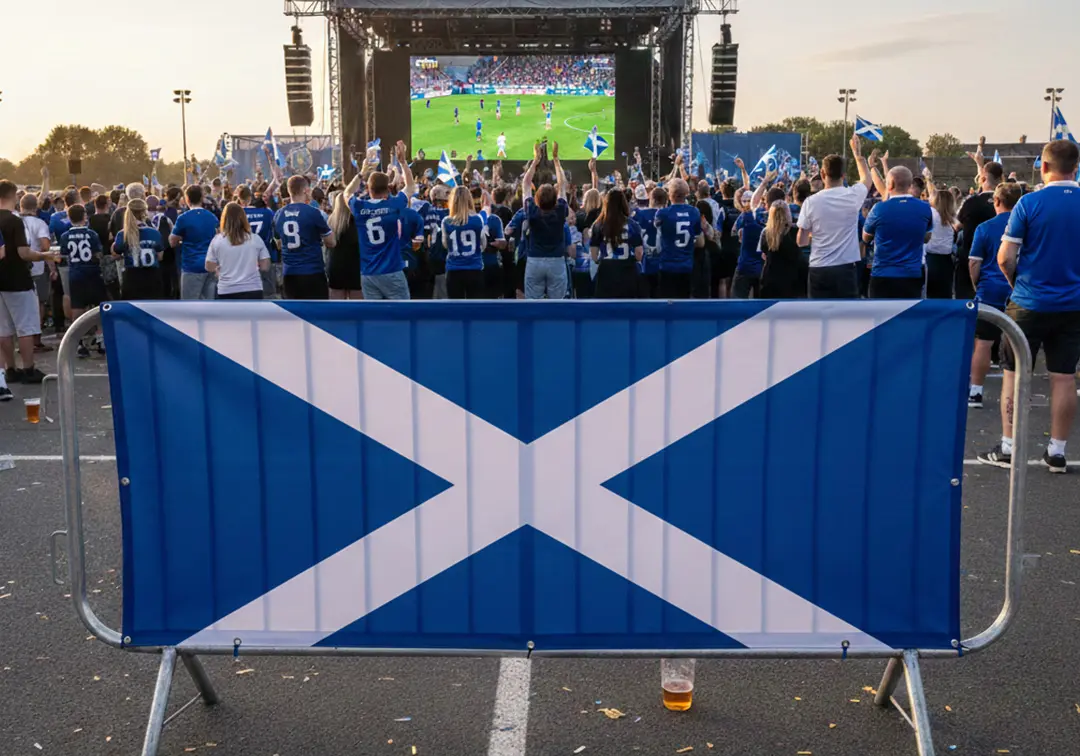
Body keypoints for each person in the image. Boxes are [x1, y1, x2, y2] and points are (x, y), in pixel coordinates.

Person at [979, 140, 1080, 473]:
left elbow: (1004, 257)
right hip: (1072, 304)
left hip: (1028, 300)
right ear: (1076, 168)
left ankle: (1009, 446)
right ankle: (1058, 451)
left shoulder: (1029, 202)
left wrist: (1015, 284)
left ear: (1044, 167)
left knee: (1014, 373)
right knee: (1064, 377)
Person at [0, 180, 60, 391]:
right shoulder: (14, 221)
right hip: (17, 278)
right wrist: (46, 255)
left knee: (3, 328)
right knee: (26, 326)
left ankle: (9, 368)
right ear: (13, 196)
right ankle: (28, 368)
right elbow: (23, 253)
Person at [967, 183, 1021, 409]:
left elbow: (974, 263)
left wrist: (977, 286)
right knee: (1020, 346)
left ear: (996, 201)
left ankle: (976, 391)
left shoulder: (985, 228)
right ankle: (1020, 394)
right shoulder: (1027, 226)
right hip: (1019, 291)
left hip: (989, 291)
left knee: (983, 343)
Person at [797, 136, 871, 298]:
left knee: (818, 313)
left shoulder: (810, 202)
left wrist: (815, 235)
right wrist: (858, 155)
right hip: (846, 268)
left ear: (822, 173)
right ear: (843, 175)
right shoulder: (853, 196)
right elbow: (867, 179)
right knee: (846, 313)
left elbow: (801, 241)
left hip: (819, 269)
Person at [345, 140, 417, 300]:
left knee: (374, 314)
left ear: (368, 189)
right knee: (401, 312)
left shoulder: (359, 207)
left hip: (368, 273)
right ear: (388, 188)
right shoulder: (393, 205)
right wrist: (403, 163)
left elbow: (347, 193)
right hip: (392, 271)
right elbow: (411, 187)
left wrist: (361, 173)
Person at [862, 166, 933, 299]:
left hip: (882, 274)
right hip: (912, 275)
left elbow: (865, 237)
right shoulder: (925, 208)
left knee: (881, 312)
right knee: (909, 312)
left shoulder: (879, 209)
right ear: (910, 185)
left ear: (890, 184)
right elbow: (927, 237)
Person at [521, 141, 571, 299]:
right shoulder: (560, 209)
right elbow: (562, 185)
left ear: (537, 198)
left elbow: (526, 184)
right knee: (557, 305)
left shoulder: (532, 210)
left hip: (535, 260)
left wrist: (536, 161)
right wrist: (556, 160)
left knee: (532, 304)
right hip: (556, 260)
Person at [273, 175, 336, 299]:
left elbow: (279, 244)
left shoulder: (278, 214)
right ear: (305, 190)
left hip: (290, 273)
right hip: (312, 272)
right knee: (317, 309)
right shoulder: (313, 212)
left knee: (294, 310)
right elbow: (331, 242)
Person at [58, 204, 107, 358]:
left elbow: (64, 255)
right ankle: (100, 340)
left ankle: (79, 343)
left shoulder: (65, 236)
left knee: (77, 309)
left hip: (76, 273)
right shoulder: (91, 234)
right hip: (92, 272)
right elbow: (98, 253)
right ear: (84, 216)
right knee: (98, 307)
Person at [957, 156, 1003, 300]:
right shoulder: (1008, 203)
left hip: (971, 259)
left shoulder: (970, 203)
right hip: (998, 262)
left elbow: (958, 225)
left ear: (983, 179)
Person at [205, 203, 271, 300]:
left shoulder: (217, 240)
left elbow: (209, 266)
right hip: (253, 288)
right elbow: (265, 266)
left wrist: (218, 270)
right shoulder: (255, 238)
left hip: (226, 290)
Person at [653, 176, 704, 299]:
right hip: (686, 265)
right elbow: (700, 242)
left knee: (667, 302)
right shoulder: (694, 212)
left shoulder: (662, 213)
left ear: (670, 194)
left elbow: (657, 237)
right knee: (684, 302)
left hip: (667, 265)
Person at [589, 189, 643, 299]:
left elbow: (594, 255)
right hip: (627, 271)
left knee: (606, 307)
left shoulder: (598, 225)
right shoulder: (633, 225)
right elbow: (639, 254)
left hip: (606, 272)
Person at [169, 185, 219, 300]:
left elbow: (172, 241)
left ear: (187, 199)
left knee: (189, 305)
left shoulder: (183, 218)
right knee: (209, 305)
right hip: (210, 265)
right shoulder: (212, 217)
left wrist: (182, 239)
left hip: (191, 266)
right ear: (202, 198)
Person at [18, 194, 54, 353]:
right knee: (38, 303)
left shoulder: (15, 221)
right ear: (36, 207)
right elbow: (45, 246)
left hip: (18, 268)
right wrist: (52, 266)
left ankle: (23, 341)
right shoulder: (39, 223)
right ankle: (36, 340)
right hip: (37, 267)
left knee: (20, 305)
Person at [441, 186, 489, 299]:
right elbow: (484, 245)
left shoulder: (446, 221)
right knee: (475, 307)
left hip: (454, 270)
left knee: (455, 307)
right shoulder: (478, 219)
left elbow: (445, 245)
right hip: (474, 269)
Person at [112, 198, 164, 300]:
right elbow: (160, 257)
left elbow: (116, 254)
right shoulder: (154, 233)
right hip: (152, 278)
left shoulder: (123, 234)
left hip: (132, 278)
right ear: (144, 212)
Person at [237, 184, 278, 298]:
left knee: (247, 292)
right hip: (265, 254)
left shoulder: (239, 213)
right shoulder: (267, 212)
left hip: (244, 256)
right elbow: (275, 229)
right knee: (268, 292)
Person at [758, 200, 802, 298]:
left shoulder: (766, 233)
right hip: (791, 279)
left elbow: (764, 255)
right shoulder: (795, 231)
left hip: (769, 279)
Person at [924, 179, 958, 298]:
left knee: (929, 297)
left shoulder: (930, 214)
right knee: (944, 296)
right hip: (946, 261)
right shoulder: (951, 220)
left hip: (930, 259)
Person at [326, 192, 363, 299]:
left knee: (336, 306)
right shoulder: (358, 221)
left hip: (335, 267)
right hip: (356, 267)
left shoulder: (331, 221)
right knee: (357, 306)